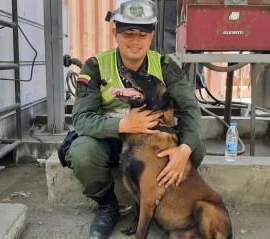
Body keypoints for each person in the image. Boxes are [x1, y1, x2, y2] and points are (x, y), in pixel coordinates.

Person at [65, 0, 206, 238]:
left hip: (149, 140)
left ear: (152, 36)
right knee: (82, 153)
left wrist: (184, 148)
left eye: (142, 34)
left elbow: (190, 108)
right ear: (115, 33)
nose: (135, 40)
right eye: (127, 33)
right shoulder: (95, 66)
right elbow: (81, 119)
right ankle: (107, 205)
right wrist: (122, 124)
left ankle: (155, 201)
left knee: (195, 148)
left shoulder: (165, 65)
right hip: (109, 138)